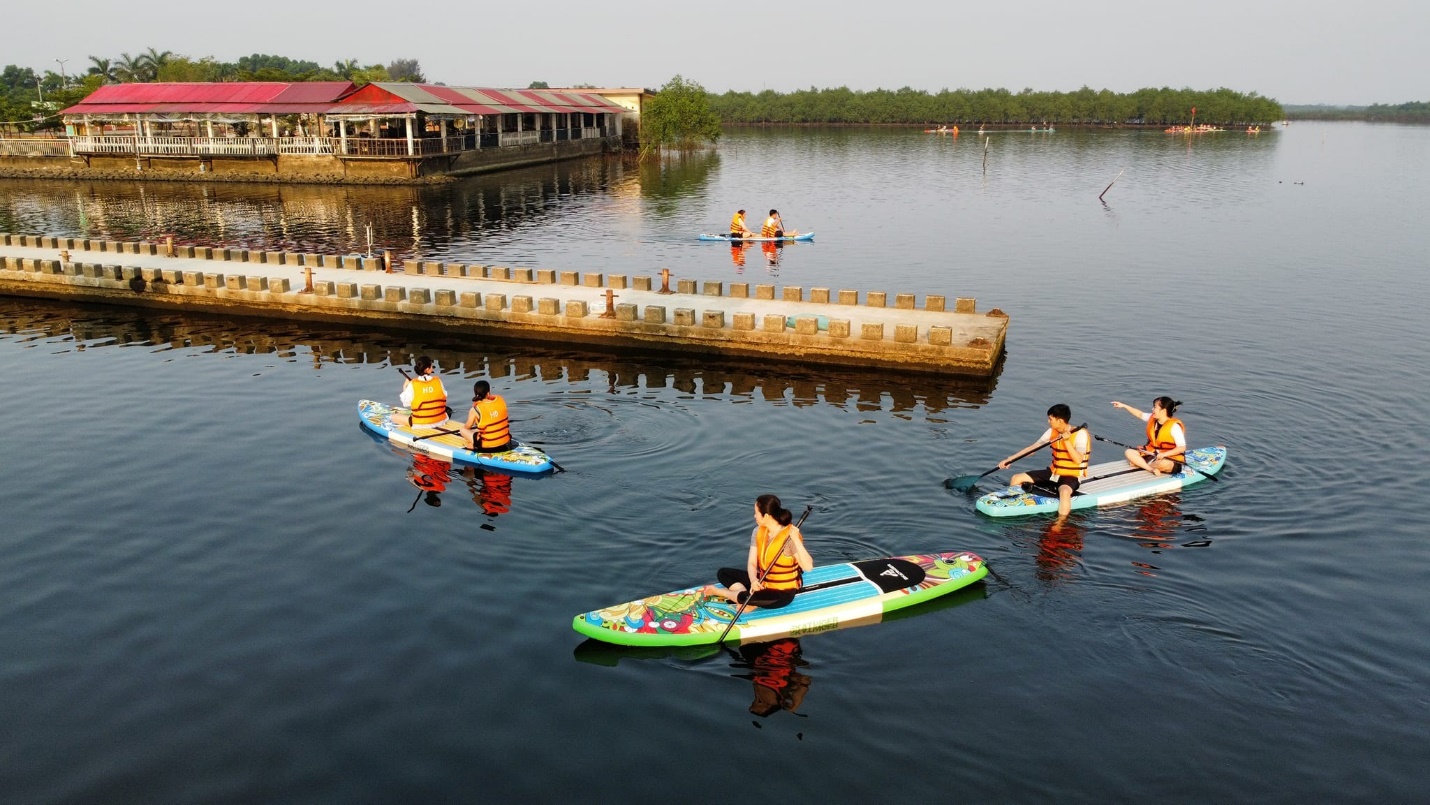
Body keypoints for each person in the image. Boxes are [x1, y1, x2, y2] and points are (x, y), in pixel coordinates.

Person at [704, 495, 813, 610]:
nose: (754, 516)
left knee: (745, 598)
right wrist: (754, 581)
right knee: (723, 573)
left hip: (783, 592)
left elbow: (808, 566)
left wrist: (796, 539)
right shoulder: (757, 531)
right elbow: (752, 563)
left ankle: (724, 593)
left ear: (766, 516)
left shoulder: (789, 538)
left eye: (756, 513)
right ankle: (744, 596)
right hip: (763, 582)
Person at [999, 404, 1090, 519]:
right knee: (1016, 478)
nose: (1048, 421)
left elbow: (1078, 459)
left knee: (1065, 492)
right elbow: (1033, 448)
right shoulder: (1052, 431)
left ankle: (1060, 523)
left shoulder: (1080, 434)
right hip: (1053, 473)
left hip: (1071, 475)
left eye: (1050, 419)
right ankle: (1014, 504)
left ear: (1060, 421)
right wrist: (1010, 459)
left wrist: (1066, 441)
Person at [1111, 397, 1187, 476]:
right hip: (1152, 453)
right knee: (1128, 452)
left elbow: (1182, 448)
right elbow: (1140, 414)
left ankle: (1140, 464)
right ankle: (1150, 469)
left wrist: (1164, 454)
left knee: (1164, 464)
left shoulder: (1174, 427)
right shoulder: (1152, 418)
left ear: (1163, 411)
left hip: (1170, 457)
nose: (1152, 409)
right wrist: (1124, 406)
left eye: (1155, 407)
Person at [459, 380, 514, 453]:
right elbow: (494, 398)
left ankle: (472, 445)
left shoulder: (475, 410)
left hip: (487, 447)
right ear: (488, 393)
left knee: (462, 430)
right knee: (478, 430)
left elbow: (467, 427)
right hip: (505, 443)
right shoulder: (501, 400)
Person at [399, 356, 449, 428]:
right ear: (428, 369)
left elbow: (406, 403)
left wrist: (405, 386)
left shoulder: (413, 384)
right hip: (441, 421)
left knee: (394, 417)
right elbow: (444, 395)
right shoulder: (438, 381)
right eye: (432, 366)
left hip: (421, 424)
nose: (432, 368)